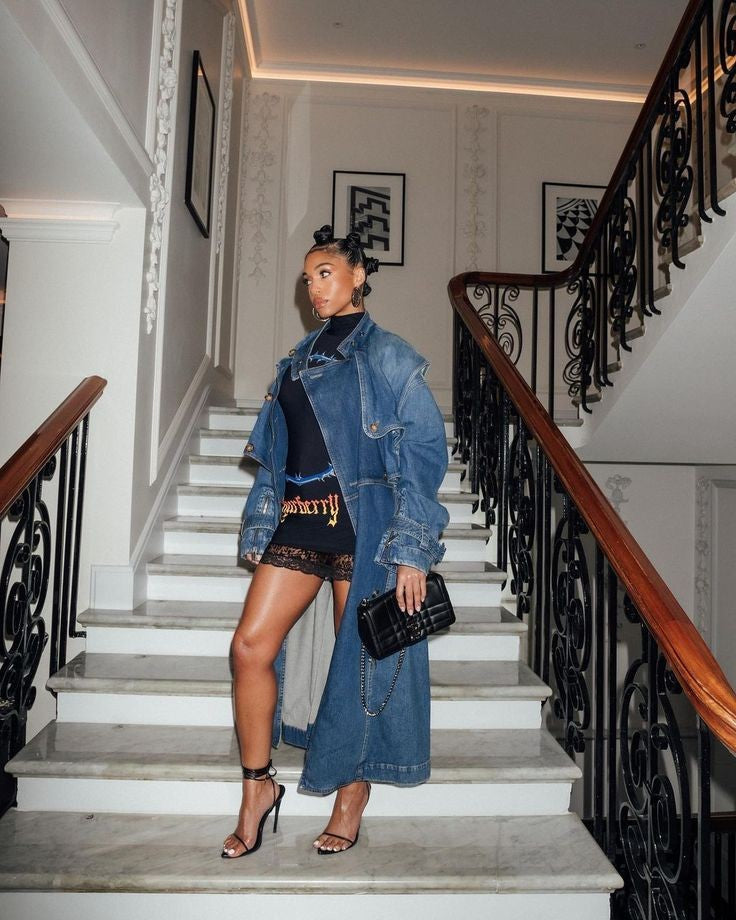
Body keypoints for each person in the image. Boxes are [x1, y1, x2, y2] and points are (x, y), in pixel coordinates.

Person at [221, 225, 449, 859]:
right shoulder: (294, 362)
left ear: (358, 276)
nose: (314, 287)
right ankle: (257, 787)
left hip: (362, 523)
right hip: (301, 520)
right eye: (307, 278)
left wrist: (411, 549)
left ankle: (352, 794)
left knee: (362, 665)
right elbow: (278, 456)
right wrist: (261, 519)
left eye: (325, 273)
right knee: (248, 647)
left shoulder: (390, 355)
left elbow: (424, 453)